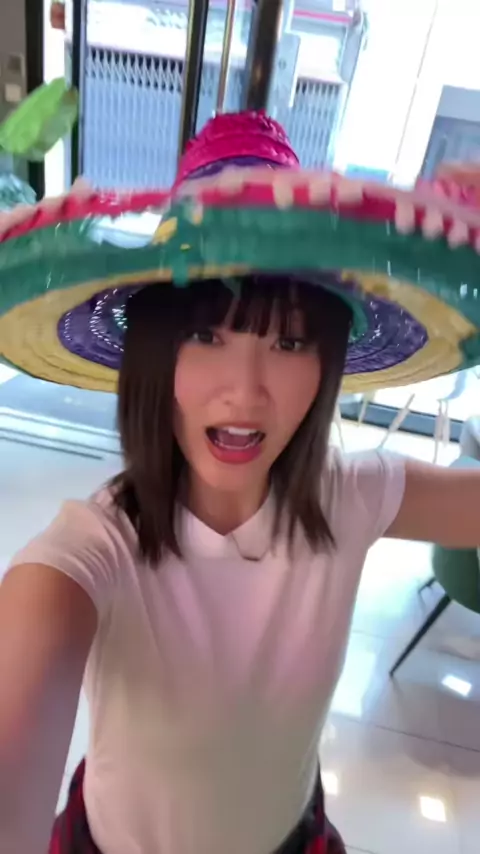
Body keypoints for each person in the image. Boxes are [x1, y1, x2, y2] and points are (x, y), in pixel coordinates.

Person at [1, 113, 480, 854]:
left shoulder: (349, 498)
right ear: (153, 349)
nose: (247, 390)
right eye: (205, 335)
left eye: (289, 341)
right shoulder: (92, 549)